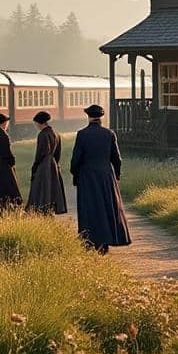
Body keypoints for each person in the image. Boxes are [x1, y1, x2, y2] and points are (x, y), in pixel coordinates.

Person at [69, 104, 130, 253]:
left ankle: (90, 241)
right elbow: (117, 159)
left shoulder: (82, 134)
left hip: (88, 176)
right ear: (101, 117)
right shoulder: (109, 134)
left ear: (88, 116)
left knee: (89, 209)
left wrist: (75, 175)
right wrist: (116, 176)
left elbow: (76, 159)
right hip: (105, 176)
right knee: (106, 208)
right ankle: (106, 242)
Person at [25, 110, 67, 214]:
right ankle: (50, 208)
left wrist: (35, 166)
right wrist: (56, 164)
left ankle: (41, 209)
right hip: (53, 163)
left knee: (42, 188)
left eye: (36, 123)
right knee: (52, 188)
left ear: (40, 123)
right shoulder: (56, 134)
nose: (36, 125)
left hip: (44, 164)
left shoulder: (42, 135)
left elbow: (40, 153)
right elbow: (58, 153)